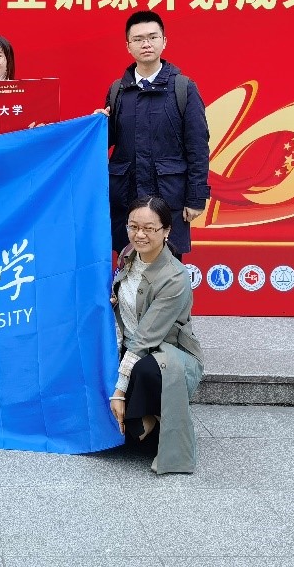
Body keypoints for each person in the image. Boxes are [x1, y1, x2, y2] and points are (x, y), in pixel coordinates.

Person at [103, 10, 210, 259]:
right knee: (128, 269)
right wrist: (99, 124)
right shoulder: (118, 91)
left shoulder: (183, 88)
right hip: (127, 199)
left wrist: (196, 198)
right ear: (128, 46)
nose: (146, 44)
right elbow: (106, 143)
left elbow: (198, 147)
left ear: (164, 41)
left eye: (153, 37)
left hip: (168, 199)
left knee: (167, 271)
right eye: (138, 39)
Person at [108, 196, 204, 474]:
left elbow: (144, 339)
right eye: (133, 227)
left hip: (166, 357)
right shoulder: (128, 256)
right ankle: (146, 418)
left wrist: (119, 392)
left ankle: (154, 421)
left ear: (166, 231)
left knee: (145, 373)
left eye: (149, 228)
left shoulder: (175, 277)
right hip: (131, 350)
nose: (140, 235)